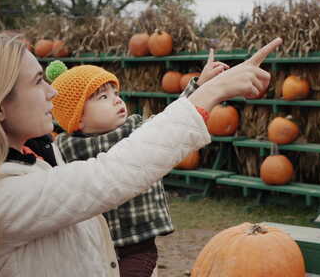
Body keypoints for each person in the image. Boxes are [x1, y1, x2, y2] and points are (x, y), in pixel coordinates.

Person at [0, 33, 281, 277]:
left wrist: (197, 91)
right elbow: (110, 175)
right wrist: (206, 97)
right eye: (38, 82)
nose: (52, 94)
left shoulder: (33, 157)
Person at [48, 50, 228, 277]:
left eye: (115, 92)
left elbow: (172, 119)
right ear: (78, 117)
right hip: (93, 247)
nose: (117, 99)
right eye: (103, 97)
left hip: (138, 243)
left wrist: (200, 85)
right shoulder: (64, 148)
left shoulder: (135, 130)